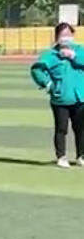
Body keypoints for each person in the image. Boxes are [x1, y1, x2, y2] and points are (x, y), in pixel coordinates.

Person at [30, 22, 84, 167]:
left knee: (81, 128)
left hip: (80, 96)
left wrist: (74, 56)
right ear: (57, 37)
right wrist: (47, 83)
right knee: (61, 128)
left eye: (68, 34)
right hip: (60, 98)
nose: (66, 38)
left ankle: (81, 156)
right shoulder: (50, 54)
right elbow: (37, 69)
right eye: (63, 35)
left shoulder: (80, 50)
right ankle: (61, 156)